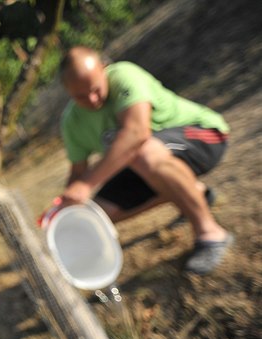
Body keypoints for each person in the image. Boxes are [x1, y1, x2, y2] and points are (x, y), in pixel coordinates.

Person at [52, 46, 232, 275]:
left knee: (143, 152)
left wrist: (86, 185)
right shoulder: (72, 122)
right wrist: (69, 205)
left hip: (203, 135)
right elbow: (78, 172)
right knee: (96, 213)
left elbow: (136, 134)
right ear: (67, 91)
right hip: (146, 163)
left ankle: (211, 234)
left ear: (103, 69)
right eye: (80, 96)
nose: (92, 99)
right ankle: (197, 193)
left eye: (95, 89)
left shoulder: (125, 74)